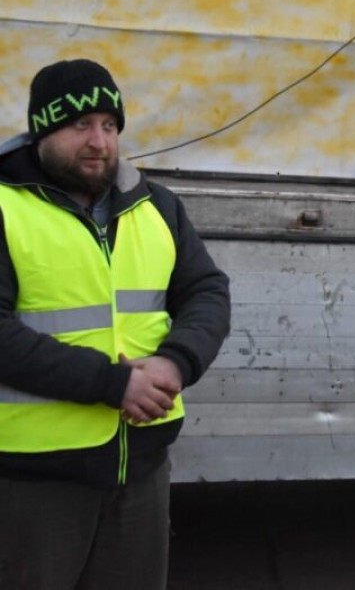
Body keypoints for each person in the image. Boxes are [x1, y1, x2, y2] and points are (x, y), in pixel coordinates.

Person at [0, 59, 231, 590]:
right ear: (41, 130)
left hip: (142, 468)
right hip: (34, 479)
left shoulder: (157, 206)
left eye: (109, 125)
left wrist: (176, 362)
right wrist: (112, 382)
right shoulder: (6, 208)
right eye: (80, 125)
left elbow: (207, 291)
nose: (99, 142)